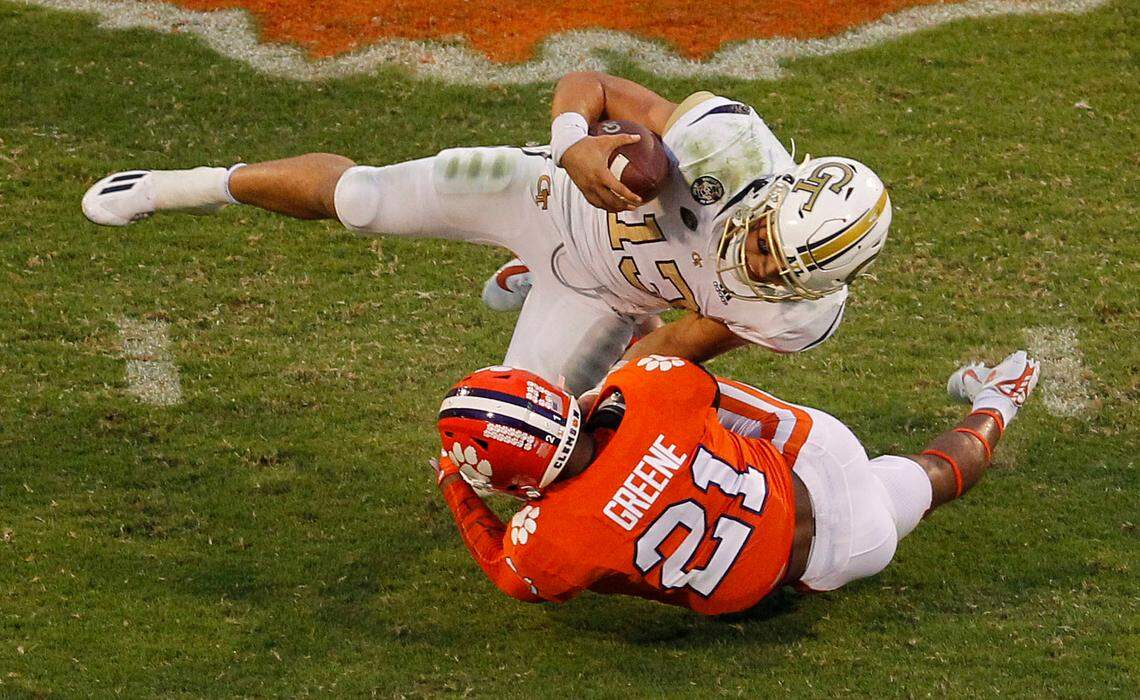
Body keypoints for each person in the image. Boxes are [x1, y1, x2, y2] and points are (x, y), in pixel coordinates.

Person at [81, 71, 890, 394]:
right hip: (545, 198)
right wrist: (574, 144)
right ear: (777, 195)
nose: (758, 269)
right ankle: (187, 186)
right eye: (764, 247)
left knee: (522, 437)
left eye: (780, 274)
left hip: (602, 295)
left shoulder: (796, 311)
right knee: (362, 199)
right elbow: (591, 80)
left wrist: (592, 409)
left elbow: (679, 347)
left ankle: (535, 289)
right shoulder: (726, 146)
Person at [430, 351, 1039, 614]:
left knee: (926, 485)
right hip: (821, 459)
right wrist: (615, 395)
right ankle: (999, 399)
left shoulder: (549, 542)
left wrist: (455, 485)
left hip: (838, 558)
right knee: (936, 473)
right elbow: (680, 386)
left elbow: (507, 569)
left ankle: (999, 400)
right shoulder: (648, 388)